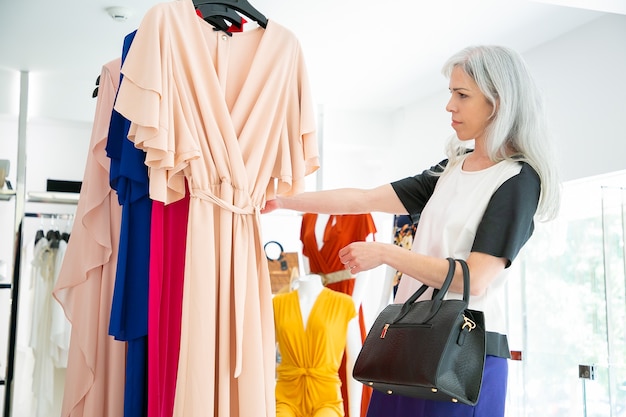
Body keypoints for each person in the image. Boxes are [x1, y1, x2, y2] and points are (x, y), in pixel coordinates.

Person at [262, 45, 561, 417]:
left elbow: (476, 279)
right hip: (409, 340)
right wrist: (283, 201)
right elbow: (364, 198)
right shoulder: (451, 168)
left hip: (462, 353)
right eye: (451, 93)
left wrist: (388, 253)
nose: (449, 105)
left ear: (497, 102)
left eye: (462, 95)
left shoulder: (518, 180)